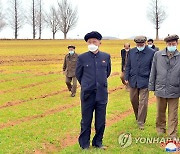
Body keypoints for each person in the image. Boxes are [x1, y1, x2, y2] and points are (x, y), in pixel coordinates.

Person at [75, 31, 111, 150]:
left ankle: (98, 142)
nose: (92, 44)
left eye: (94, 41)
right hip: (87, 94)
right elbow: (79, 75)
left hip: (101, 94)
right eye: (89, 42)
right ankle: (84, 144)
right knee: (86, 120)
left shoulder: (106, 57)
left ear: (99, 43)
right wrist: (87, 85)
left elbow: (107, 72)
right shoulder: (82, 58)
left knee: (100, 121)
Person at [149, 34, 180, 139]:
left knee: (173, 114)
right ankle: (160, 129)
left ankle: (172, 134)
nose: (171, 45)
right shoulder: (157, 55)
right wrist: (151, 86)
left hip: (175, 89)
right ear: (166, 44)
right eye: (169, 44)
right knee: (160, 112)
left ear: (177, 44)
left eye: (173, 44)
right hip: (160, 88)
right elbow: (153, 71)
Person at [125, 36, 155, 130]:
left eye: (141, 44)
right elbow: (128, 65)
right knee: (133, 100)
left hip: (145, 80)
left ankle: (141, 122)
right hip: (133, 80)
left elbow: (152, 68)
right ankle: (138, 116)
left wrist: (151, 80)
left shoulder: (151, 53)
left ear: (145, 43)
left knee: (143, 102)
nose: (140, 46)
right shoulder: (131, 52)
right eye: (138, 44)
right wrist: (126, 77)